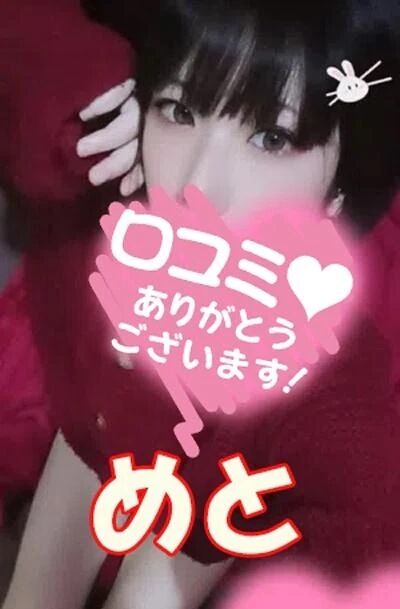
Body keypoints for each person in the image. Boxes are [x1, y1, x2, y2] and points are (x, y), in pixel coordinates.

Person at [2, 1, 400, 609]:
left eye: (272, 138)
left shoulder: (333, 394)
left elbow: (361, 513)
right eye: (179, 110)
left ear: (339, 191)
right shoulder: (114, 200)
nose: (196, 187)